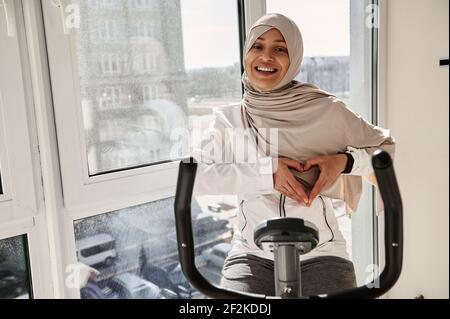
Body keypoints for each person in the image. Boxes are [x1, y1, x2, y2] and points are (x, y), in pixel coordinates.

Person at [192, 13, 395, 296]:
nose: (266, 57)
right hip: (252, 252)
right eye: (257, 46)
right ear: (246, 53)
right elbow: (198, 176)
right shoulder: (229, 120)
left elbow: (384, 149)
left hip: (322, 251)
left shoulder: (326, 111)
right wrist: (267, 173)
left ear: (294, 58)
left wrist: (345, 162)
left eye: (280, 49)